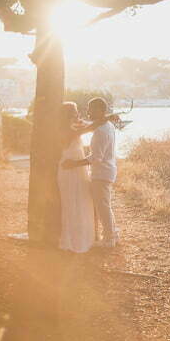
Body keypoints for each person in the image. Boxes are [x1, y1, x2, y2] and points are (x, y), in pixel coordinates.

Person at [62, 97, 118, 248]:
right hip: (107, 170)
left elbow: (96, 158)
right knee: (105, 205)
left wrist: (74, 164)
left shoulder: (100, 131)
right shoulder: (108, 125)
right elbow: (89, 125)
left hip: (101, 172)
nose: (87, 112)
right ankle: (113, 235)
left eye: (90, 109)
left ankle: (109, 239)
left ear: (99, 110)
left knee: (102, 207)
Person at [56, 102, 96, 253]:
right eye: (75, 110)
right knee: (72, 204)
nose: (78, 113)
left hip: (77, 169)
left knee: (80, 201)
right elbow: (91, 128)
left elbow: (86, 125)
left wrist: (80, 120)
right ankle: (73, 240)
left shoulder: (72, 127)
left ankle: (80, 237)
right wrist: (107, 118)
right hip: (69, 170)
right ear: (69, 114)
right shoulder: (66, 130)